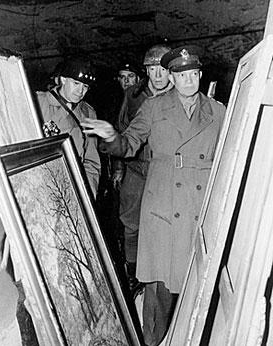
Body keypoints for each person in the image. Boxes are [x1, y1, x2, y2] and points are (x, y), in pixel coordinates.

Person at [81, 45, 226, 346]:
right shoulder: (154, 107)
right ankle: (151, 341)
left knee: (198, 280)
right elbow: (129, 144)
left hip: (201, 205)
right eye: (181, 75)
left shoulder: (219, 111)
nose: (188, 80)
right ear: (171, 78)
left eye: (193, 74)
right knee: (159, 287)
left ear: (200, 75)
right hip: (163, 203)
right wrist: (111, 137)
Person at [112, 44, 173, 298]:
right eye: (151, 69)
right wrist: (117, 168)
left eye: (162, 69)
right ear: (145, 71)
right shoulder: (133, 96)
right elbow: (120, 131)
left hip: (166, 172)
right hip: (136, 169)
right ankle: (134, 274)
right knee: (131, 224)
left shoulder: (182, 92)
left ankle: (164, 276)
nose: (157, 76)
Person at [36, 56, 101, 198]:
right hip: (41, 183)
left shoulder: (88, 113)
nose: (80, 91)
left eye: (85, 87)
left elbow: (91, 160)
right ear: (63, 79)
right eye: (76, 83)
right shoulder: (39, 103)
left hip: (72, 186)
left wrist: (88, 193)